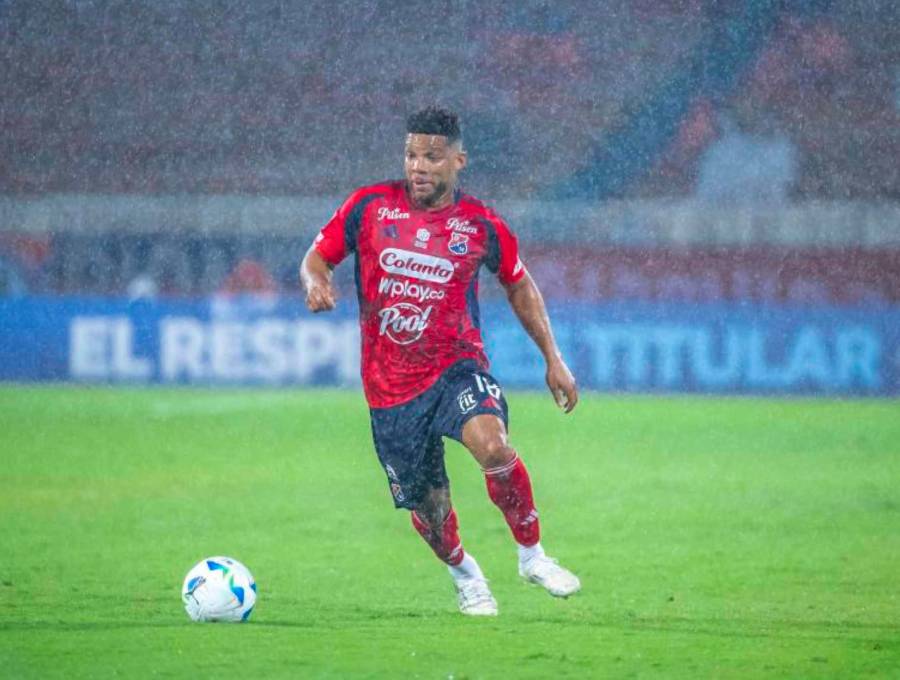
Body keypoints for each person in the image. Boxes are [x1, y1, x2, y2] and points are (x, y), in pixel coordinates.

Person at [300, 106, 580, 616]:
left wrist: (553, 359)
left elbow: (519, 283)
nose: (418, 166)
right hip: (390, 391)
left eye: (432, 156)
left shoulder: (480, 225)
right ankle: (465, 575)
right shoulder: (369, 207)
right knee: (432, 510)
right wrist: (316, 280)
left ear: (458, 160)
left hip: (456, 368)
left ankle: (532, 556)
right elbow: (316, 256)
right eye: (411, 155)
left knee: (494, 447)